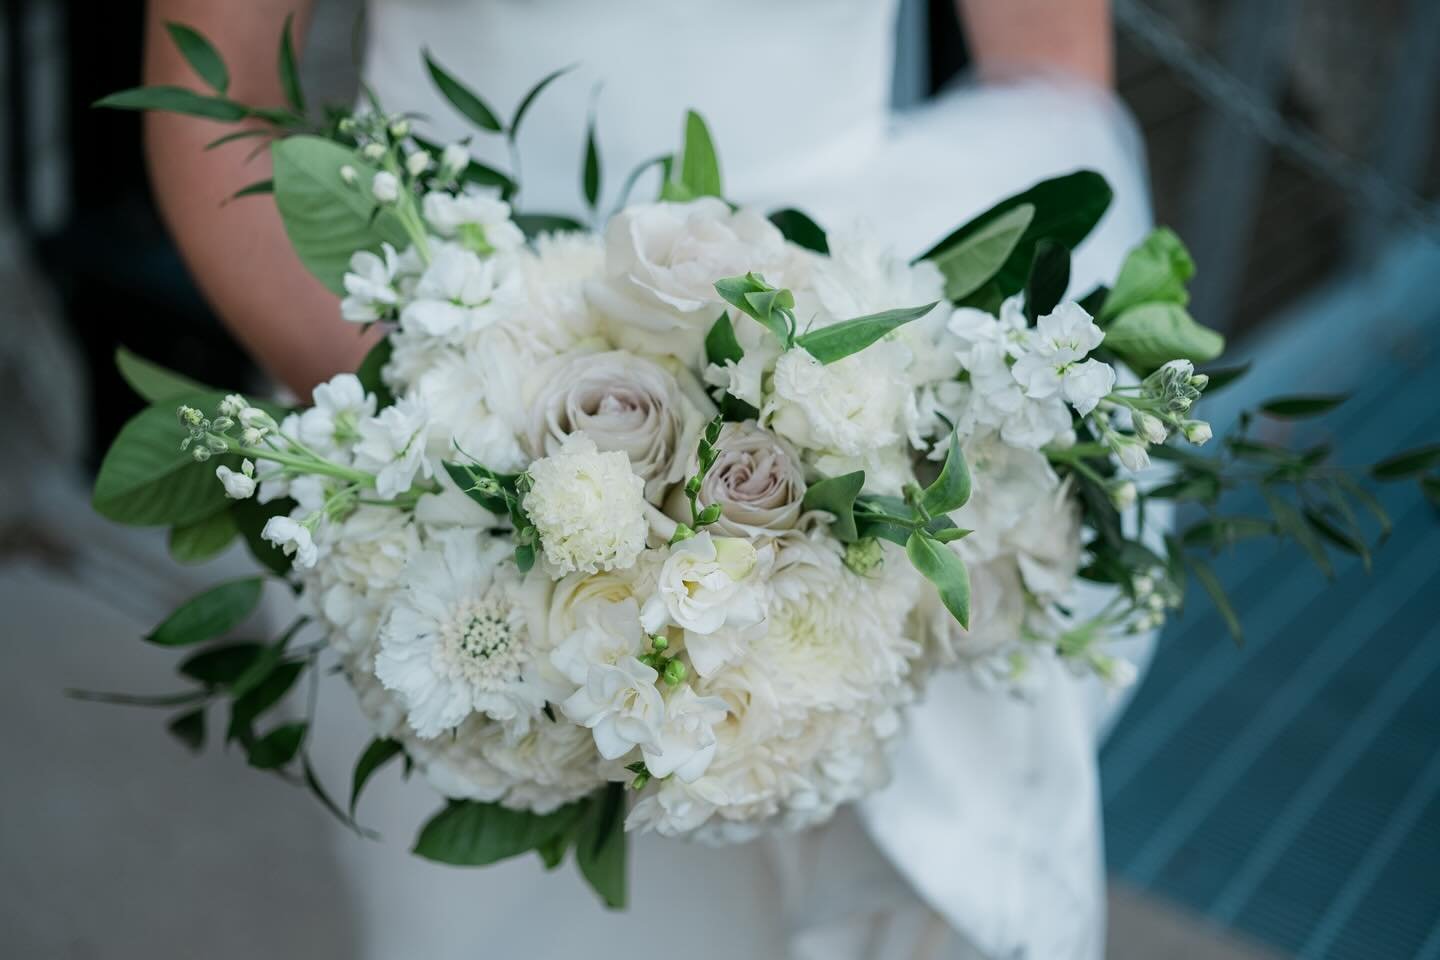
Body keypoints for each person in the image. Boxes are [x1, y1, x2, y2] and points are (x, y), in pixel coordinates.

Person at [141, 1, 1154, 957]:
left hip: (836, 366)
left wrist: (884, 410)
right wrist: (448, 451)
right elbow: (216, 110)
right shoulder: (441, 458)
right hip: (433, 388)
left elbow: (1050, 76)